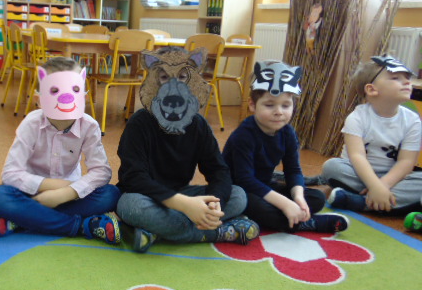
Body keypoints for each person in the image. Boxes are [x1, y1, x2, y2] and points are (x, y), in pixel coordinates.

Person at [116, 47, 259, 254]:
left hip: (183, 194)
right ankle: (217, 232)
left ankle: (158, 232)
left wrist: (214, 204)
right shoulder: (139, 123)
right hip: (146, 197)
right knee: (129, 205)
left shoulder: (198, 124)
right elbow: (133, 178)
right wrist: (184, 206)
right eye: (164, 77)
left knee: (238, 195)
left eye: (182, 77)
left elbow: (218, 170)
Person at [0, 57, 121, 244]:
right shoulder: (31, 124)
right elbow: (10, 174)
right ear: (39, 100)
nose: (66, 98)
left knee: (111, 194)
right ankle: (82, 226)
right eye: (54, 91)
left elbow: (102, 171)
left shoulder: (89, 125)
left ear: (83, 97)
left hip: (71, 193)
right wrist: (55, 188)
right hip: (33, 192)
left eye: (74, 90)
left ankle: (25, 220)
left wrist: (67, 193)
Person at [223, 60, 349, 233]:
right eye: (269, 105)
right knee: (259, 208)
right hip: (239, 190)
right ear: (252, 105)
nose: (279, 112)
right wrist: (285, 204)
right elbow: (245, 180)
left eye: (286, 105)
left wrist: (298, 198)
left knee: (317, 198)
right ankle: (305, 223)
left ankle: (290, 217)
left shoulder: (288, 132)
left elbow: (293, 170)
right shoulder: (244, 134)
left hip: (265, 185)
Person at [322, 56, 422, 214]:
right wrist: (374, 185)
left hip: (392, 178)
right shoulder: (357, 117)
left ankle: (361, 202)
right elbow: (357, 156)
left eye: (407, 78)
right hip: (358, 173)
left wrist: (383, 185)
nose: (407, 82)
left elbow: (407, 161)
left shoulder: (413, 120)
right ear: (371, 89)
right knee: (332, 167)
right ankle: (386, 201)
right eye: (396, 78)